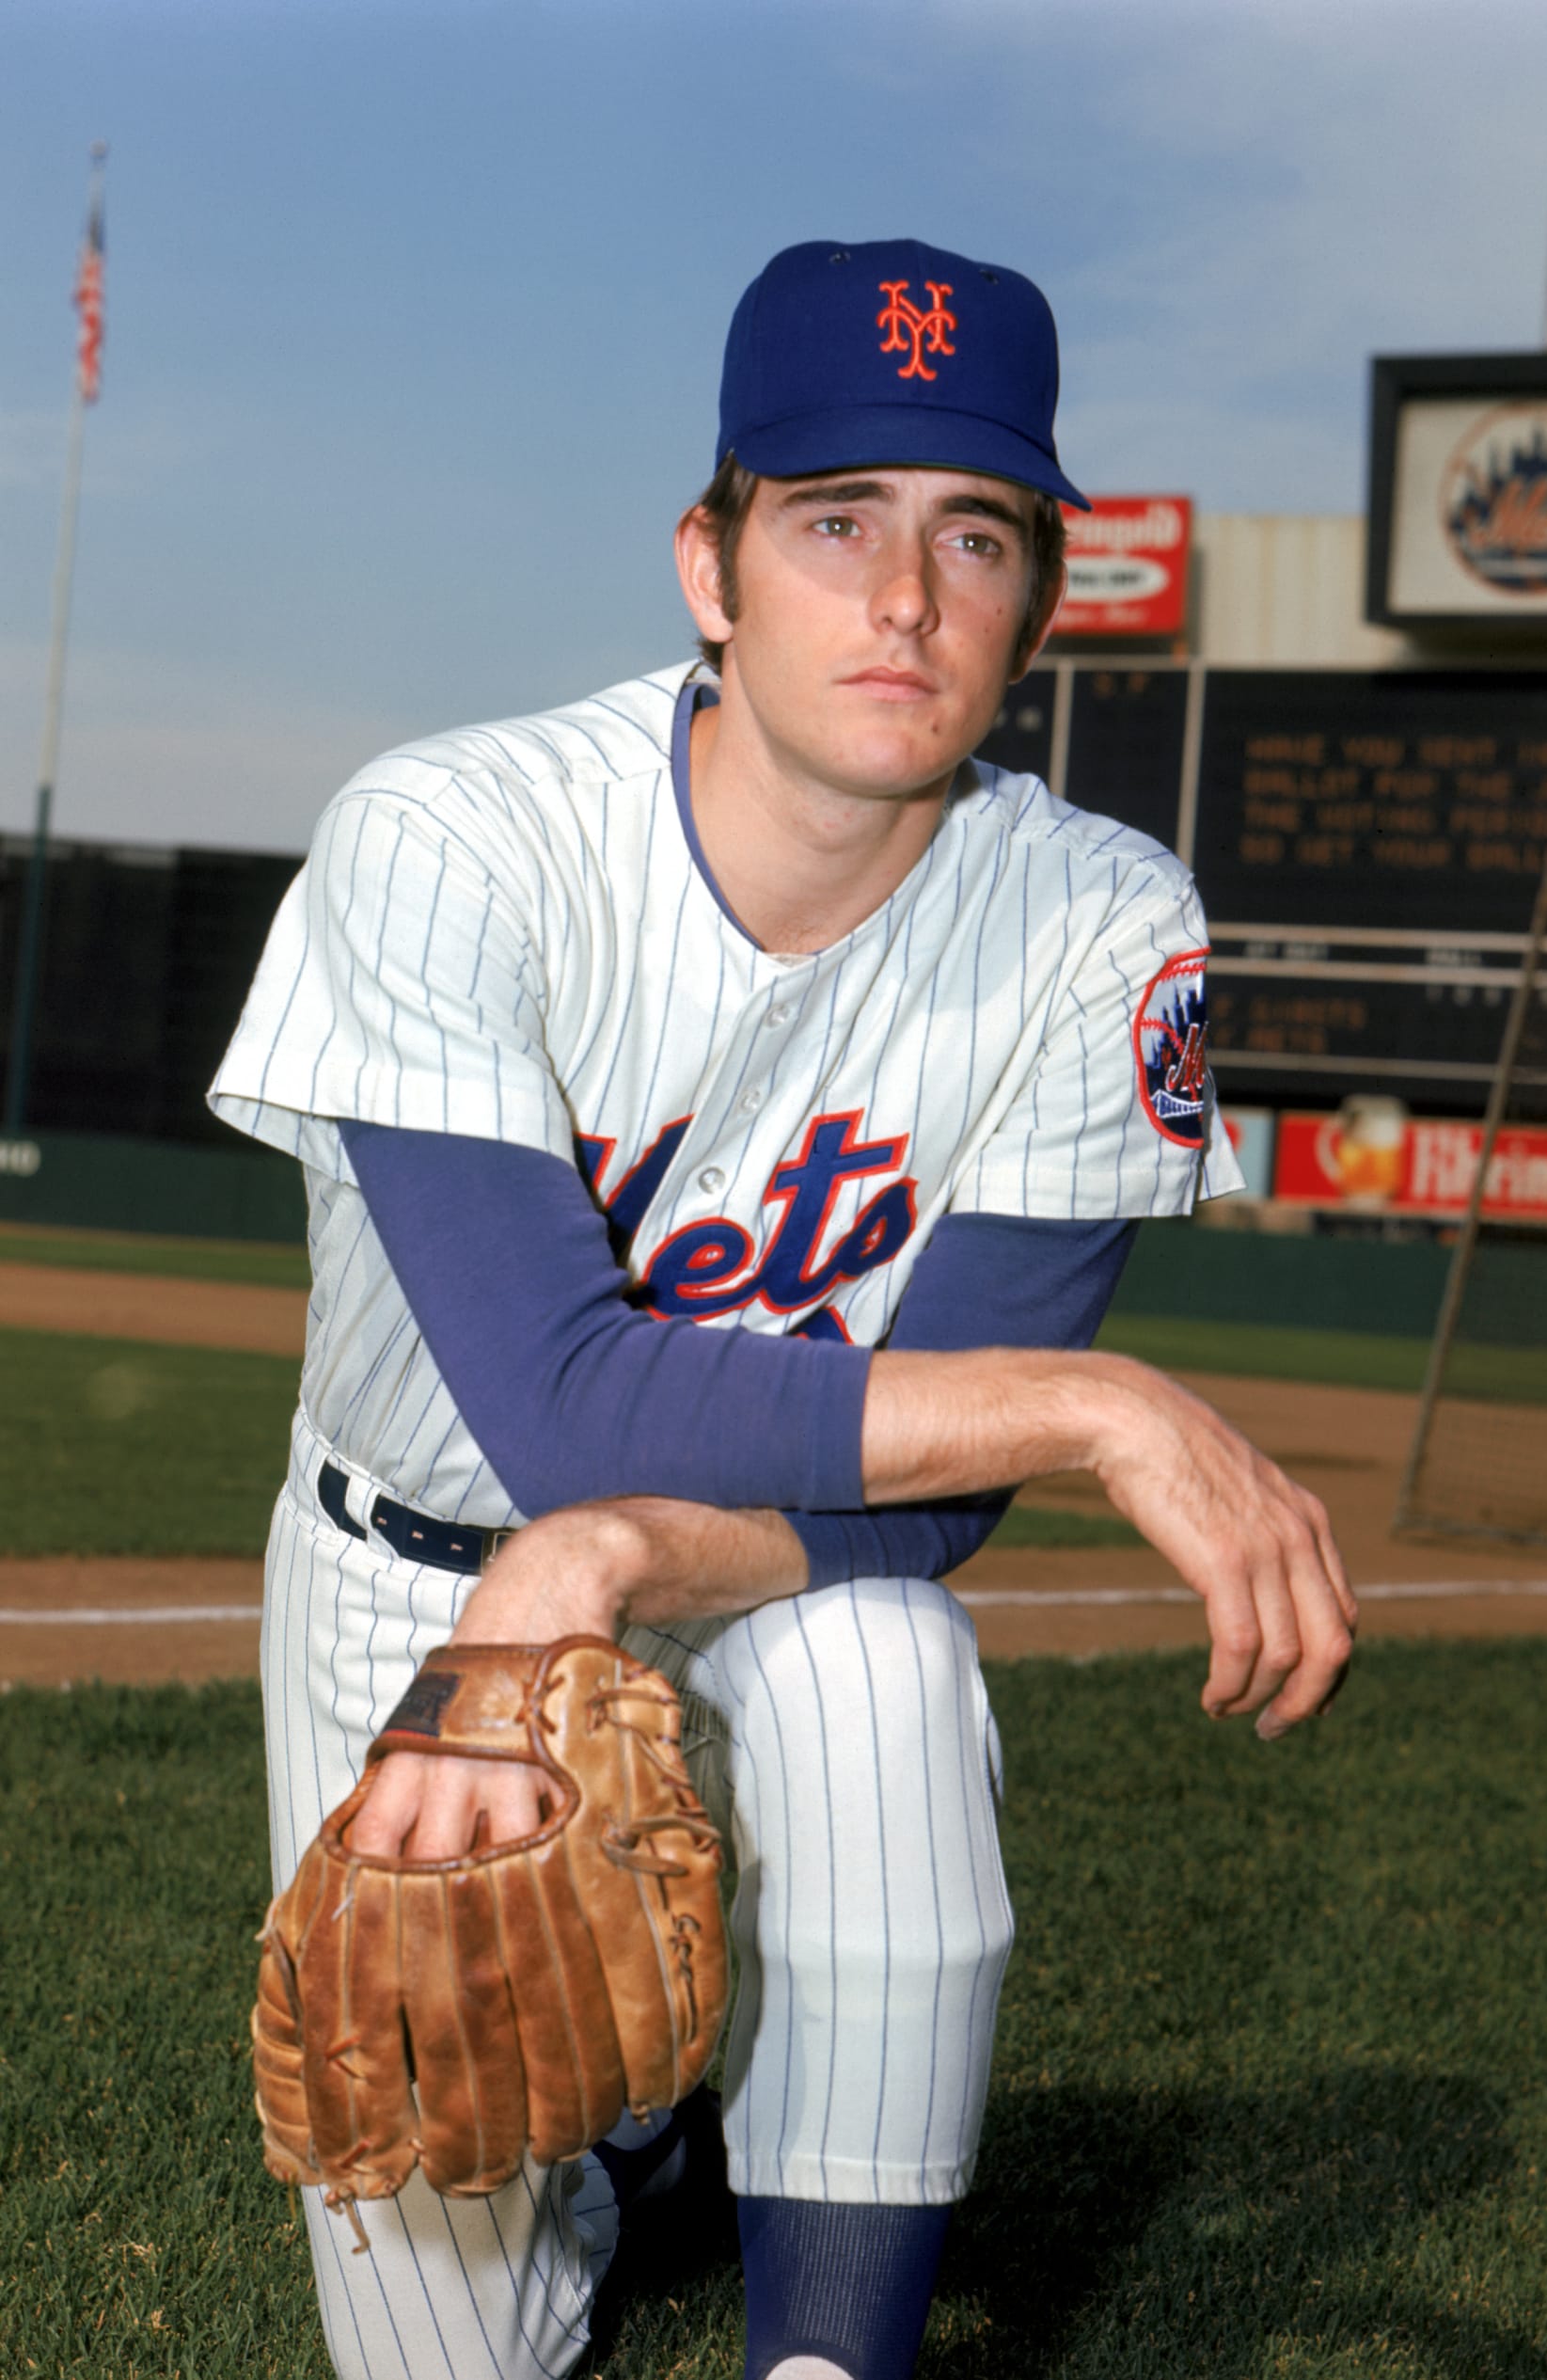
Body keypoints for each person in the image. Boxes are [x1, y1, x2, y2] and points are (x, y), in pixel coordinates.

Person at [211, 236, 1355, 2380]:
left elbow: (920, 1500)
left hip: (760, 1566)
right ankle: (647, 2141)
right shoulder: (457, 836)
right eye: (836, 521)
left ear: (1034, 599)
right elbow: (561, 1404)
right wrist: (1100, 1402)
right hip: (414, 1595)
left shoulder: (1102, 919)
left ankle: (831, 2355)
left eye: (974, 533)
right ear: (709, 568)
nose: (904, 599)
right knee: (452, 2314)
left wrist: (623, 1552)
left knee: (885, 1667)